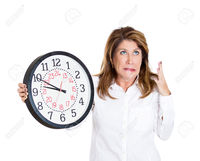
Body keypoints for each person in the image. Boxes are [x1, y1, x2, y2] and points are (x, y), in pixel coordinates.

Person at [18, 26, 175, 161]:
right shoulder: (93, 85)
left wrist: (165, 94)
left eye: (136, 53)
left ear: (143, 58)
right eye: (123, 53)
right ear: (112, 58)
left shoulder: (153, 88)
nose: (130, 60)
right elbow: (72, 123)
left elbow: (165, 133)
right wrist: (32, 96)